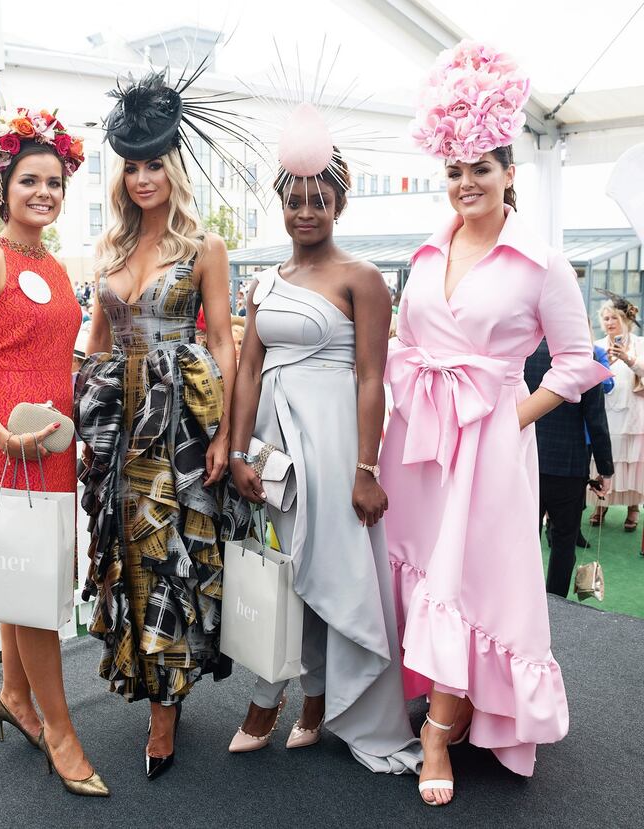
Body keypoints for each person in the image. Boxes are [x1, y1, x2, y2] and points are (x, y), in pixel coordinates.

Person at [383, 40, 610, 805]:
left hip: (489, 446)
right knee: (424, 574)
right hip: (420, 442)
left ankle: (439, 737)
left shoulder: (541, 261)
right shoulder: (424, 251)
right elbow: (407, 342)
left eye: (481, 166)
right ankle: (447, 702)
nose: (466, 182)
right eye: (454, 169)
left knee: (469, 584)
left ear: (510, 172)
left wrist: (513, 415)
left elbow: (579, 363)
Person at [228, 113, 421, 771]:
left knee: (331, 571)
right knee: (286, 570)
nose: (305, 211)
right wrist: (236, 452)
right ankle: (300, 693)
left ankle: (318, 703)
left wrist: (366, 467)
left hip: (337, 448)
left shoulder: (362, 278)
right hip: (273, 451)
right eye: (294, 200)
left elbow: (373, 377)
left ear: (340, 203)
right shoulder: (262, 283)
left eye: (319, 200)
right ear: (280, 204)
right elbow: (248, 369)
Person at [76, 69, 251, 781]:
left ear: (173, 167)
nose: (143, 177)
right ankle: (150, 680)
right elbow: (94, 340)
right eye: (132, 166)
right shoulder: (110, 249)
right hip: (119, 431)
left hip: (178, 427)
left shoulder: (204, 245)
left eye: (154, 164)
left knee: (172, 557)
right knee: (128, 554)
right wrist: (83, 420)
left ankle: (165, 709)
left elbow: (223, 342)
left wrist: (222, 437)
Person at [0, 107, 108, 798]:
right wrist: (2, 433)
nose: (44, 192)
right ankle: (61, 732)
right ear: (4, 183)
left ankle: (15, 692)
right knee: (36, 583)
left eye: (56, 182)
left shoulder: (57, 266)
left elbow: (53, 351)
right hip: (6, 443)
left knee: (28, 570)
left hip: (51, 441)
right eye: (30, 180)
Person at [525, 339, 614, 596]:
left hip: (527, 458)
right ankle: (555, 602)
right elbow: (596, 421)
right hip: (569, 465)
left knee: (523, 535)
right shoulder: (585, 359)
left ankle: (520, 599)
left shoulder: (523, 352)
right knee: (564, 541)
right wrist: (605, 470)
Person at [589, 297, 644, 531]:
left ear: (626, 319)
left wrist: (628, 358)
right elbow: (591, 376)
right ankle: (601, 504)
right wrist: (606, 362)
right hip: (606, 411)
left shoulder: (640, 344)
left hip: (632, 411)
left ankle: (633, 508)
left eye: (614, 317)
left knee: (631, 459)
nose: (609, 322)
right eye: (606, 318)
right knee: (605, 455)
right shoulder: (598, 345)